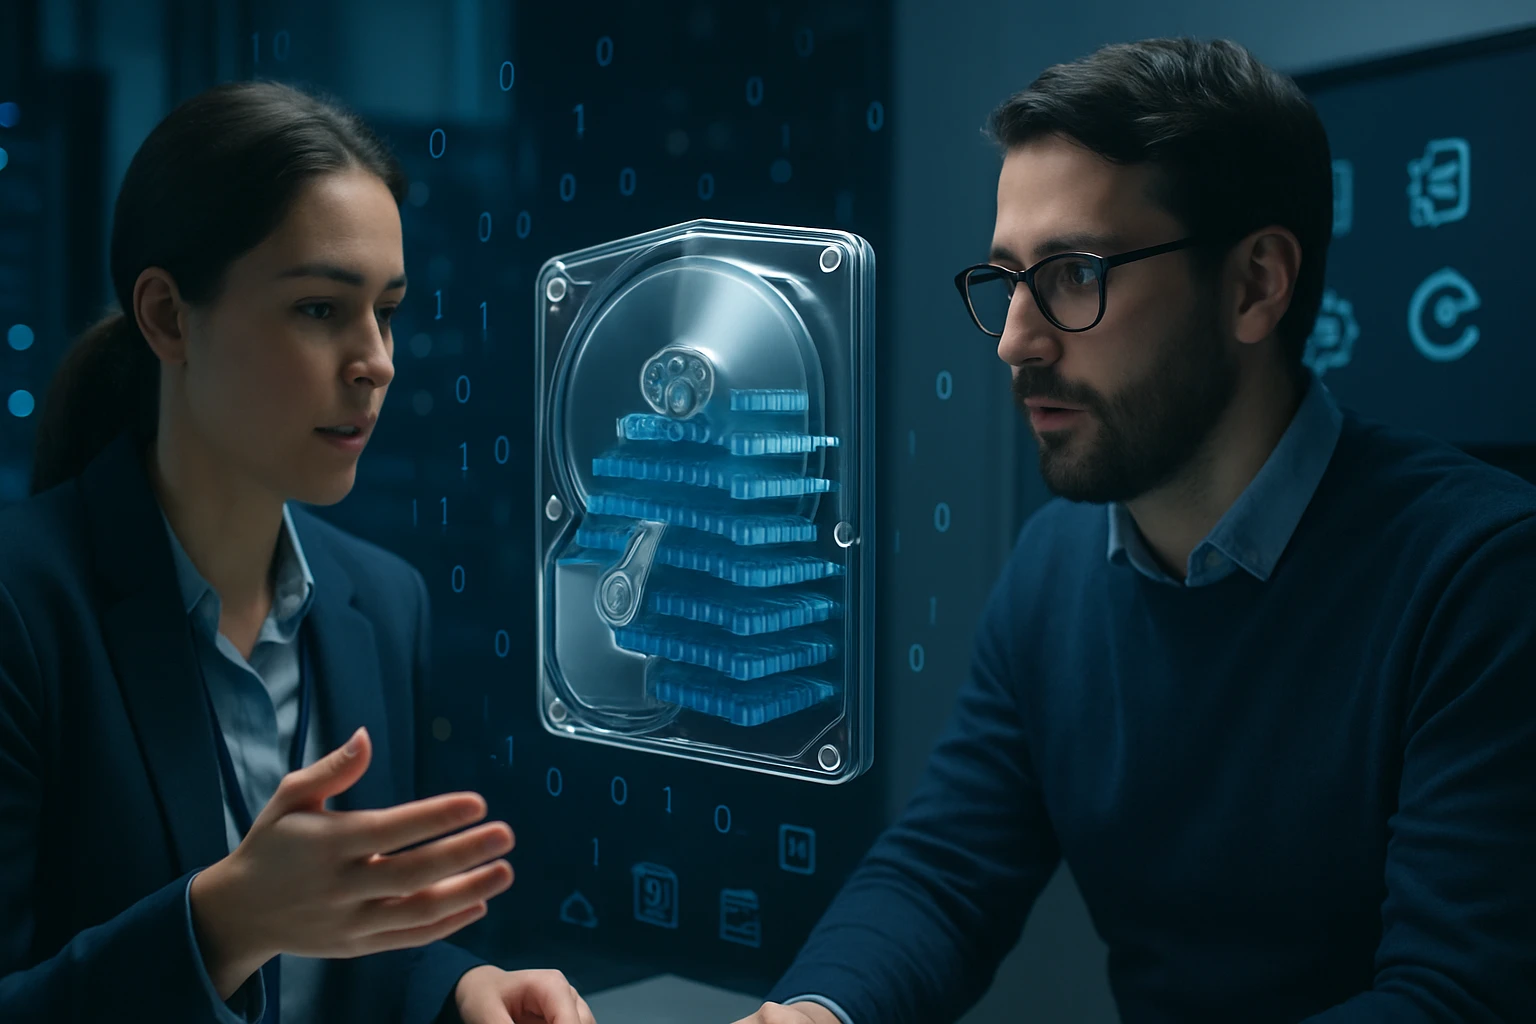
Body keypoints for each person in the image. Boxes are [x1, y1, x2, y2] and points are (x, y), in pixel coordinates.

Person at [735, 36, 1536, 1024]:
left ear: (1254, 285)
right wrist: (821, 1013)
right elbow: (946, 870)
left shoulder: (1482, 575)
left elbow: (1456, 999)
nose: (1019, 340)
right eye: (1006, 282)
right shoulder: (1053, 569)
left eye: (1072, 275)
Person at [0, 80, 595, 1024]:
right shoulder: (23, 611)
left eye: (387, 311)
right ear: (166, 317)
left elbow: (360, 949)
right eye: (321, 309)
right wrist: (221, 923)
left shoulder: (382, 603)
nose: (377, 361)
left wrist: (460, 985)